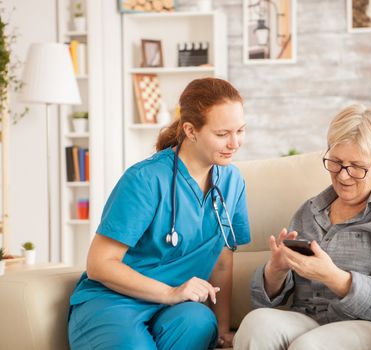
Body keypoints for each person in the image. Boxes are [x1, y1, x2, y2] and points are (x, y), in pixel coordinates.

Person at [68, 77, 251, 350]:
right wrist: (170, 292)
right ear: (190, 130)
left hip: (175, 309)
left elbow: (222, 261)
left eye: (240, 130)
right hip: (115, 300)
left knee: (200, 322)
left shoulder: (232, 182)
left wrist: (223, 330)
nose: (234, 143)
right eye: (222, 134)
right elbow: (99, 263)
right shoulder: (145, 179)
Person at [234, 104, 371, 350]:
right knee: (255, 324)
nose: (343, 176)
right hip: (310, 321)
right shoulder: (309, 211)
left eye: (356, 167)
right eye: (335, 162)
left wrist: (336, 278)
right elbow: (264, 301)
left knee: (310, 346)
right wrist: (276, 270)